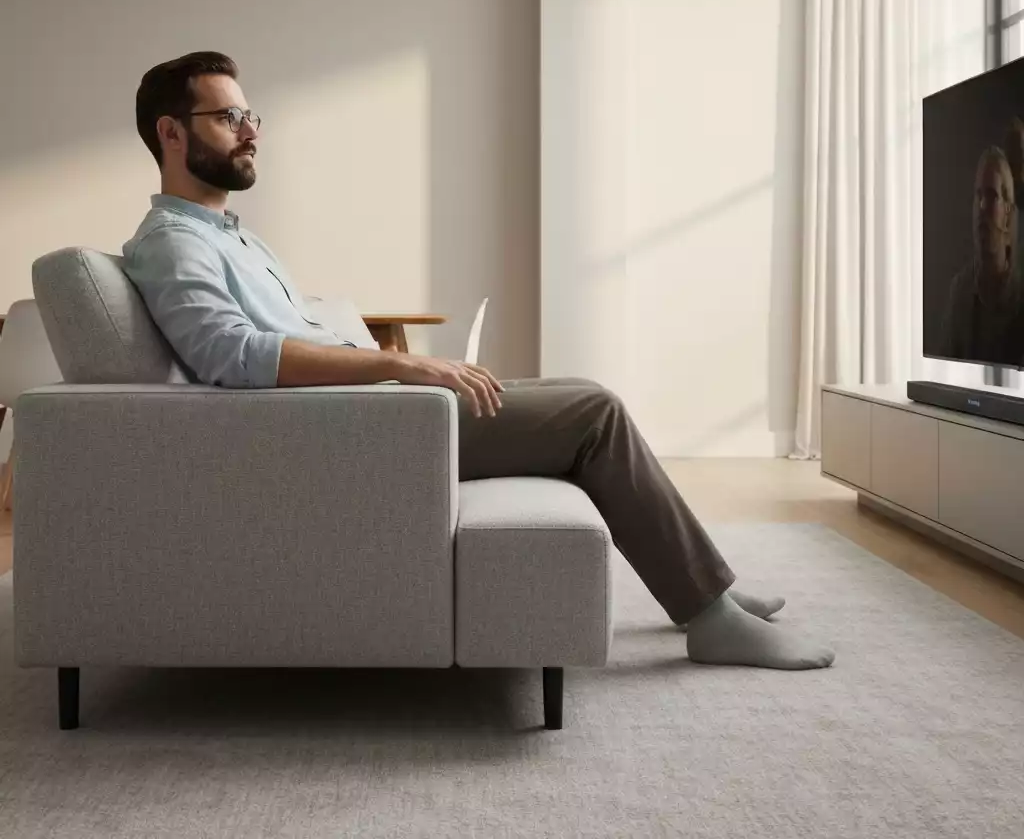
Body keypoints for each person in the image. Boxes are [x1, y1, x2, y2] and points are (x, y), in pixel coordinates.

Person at [123, 51, 835, 671]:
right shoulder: (172, 243)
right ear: (171, 133)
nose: (251, 132)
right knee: (594, 413)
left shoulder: (227, 234)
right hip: (349, 431)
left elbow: (278, 336)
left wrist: (393, 360)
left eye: (251, 116)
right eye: (228, 118)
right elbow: (231, 354)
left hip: (369, 412)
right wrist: (402, 368)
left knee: (580, 390)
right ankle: (709, 616)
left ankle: (705, 587)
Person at [937, 143, 1024, 365]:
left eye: (992, 195)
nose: (982, 206)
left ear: (1008, 216)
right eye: (978, 195)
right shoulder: (959, 292)